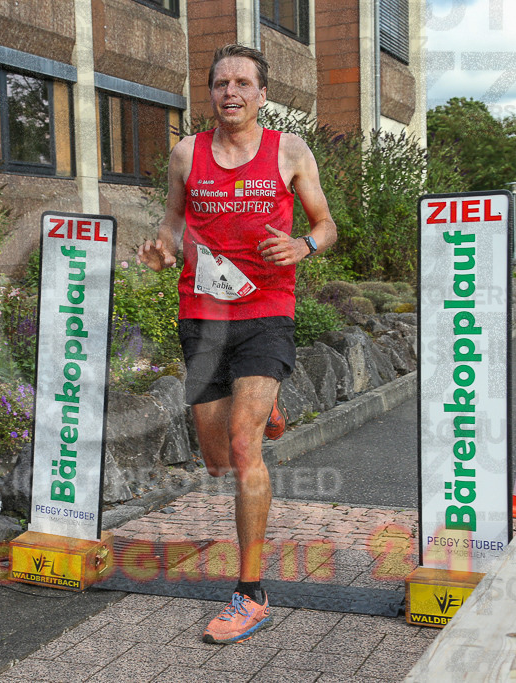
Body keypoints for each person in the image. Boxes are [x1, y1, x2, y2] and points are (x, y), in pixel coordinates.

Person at [137, 43, 337, 644]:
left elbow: (325, 224)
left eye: (243, 83)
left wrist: (304, 246)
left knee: (245, 448)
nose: (231, 92)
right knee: (219, 460)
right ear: (212, 93)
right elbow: (173, 219)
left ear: (261, 94)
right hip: (202, 317)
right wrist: (162, 243)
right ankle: (266, 403)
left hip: (265, 311)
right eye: (221, 83)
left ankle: (251, 592)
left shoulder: (290, 152)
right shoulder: (185, 154)